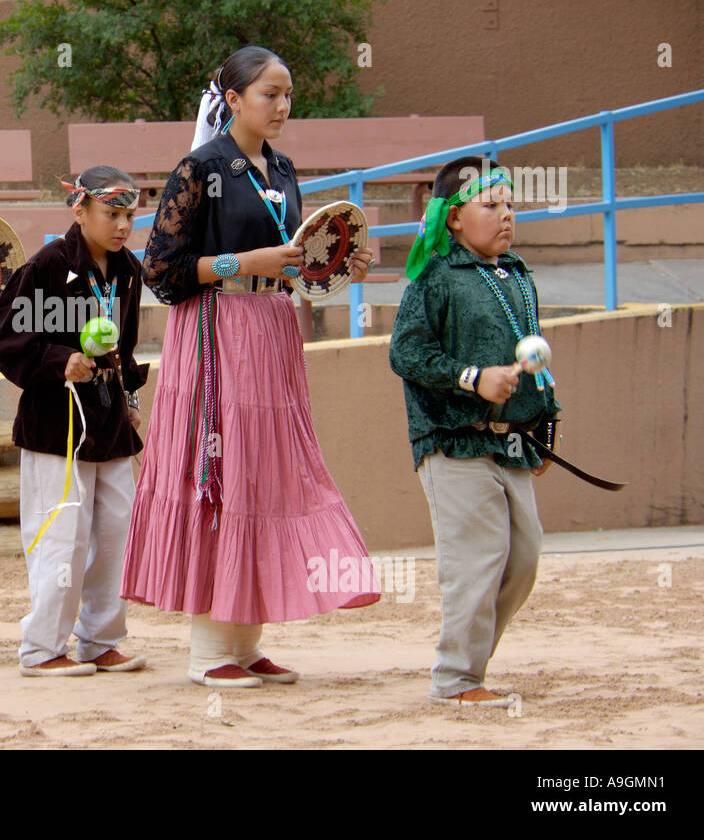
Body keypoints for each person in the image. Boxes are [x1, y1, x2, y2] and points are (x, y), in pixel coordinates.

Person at [121, 46, 381, 689]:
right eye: (270, 94)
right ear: (232, 99)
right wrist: (247, 263)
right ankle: (210, 647)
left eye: (289, 94)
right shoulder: (200, 167)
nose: (283, 106)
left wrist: (332, 266)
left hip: (271, 332)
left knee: (263, 472)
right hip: (216, 333)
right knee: (222, 472)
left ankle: (246, 639)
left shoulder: (285, 169)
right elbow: (160, 271)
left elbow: (291, 259)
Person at [389, 156, 560, 707]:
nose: (506, 215)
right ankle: (457, 678)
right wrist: (473, 379)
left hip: (510, 442)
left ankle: (471, 664)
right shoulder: (435, 277)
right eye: (492, 205)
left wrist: (544, 426)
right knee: (477, 558)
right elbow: (406, 353)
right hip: (452, 439)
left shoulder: (518, 273)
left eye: (510, 204)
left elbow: (533, 361)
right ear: (455, 218)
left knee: (525, 555)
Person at [0, 166, 150, 678]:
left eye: (128, 215)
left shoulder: (128, 272)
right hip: (58, 425)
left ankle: (100, 639)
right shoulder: (48, 266)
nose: (122, 225)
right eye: (111, 214)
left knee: (115, 530)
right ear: (79, 211)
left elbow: (123, 346)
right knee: (62, 535)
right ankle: (42, 648)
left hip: (109, 421)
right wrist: (61, 361)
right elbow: (4, 337)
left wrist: (128, 395)